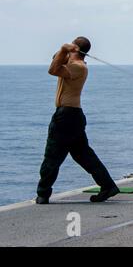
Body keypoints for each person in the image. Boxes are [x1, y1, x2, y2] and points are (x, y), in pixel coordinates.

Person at [36, 37, 119, 204]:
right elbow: (55, 59)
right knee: (84, 155)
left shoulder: (78, 67)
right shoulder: (71, 63)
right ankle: (108, 186)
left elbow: (52, 70)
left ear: (75, 48)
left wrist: (64, 48)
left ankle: (43, 193)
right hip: (72, 117)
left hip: (66, 117)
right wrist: (66, 51)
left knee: (52, 155)